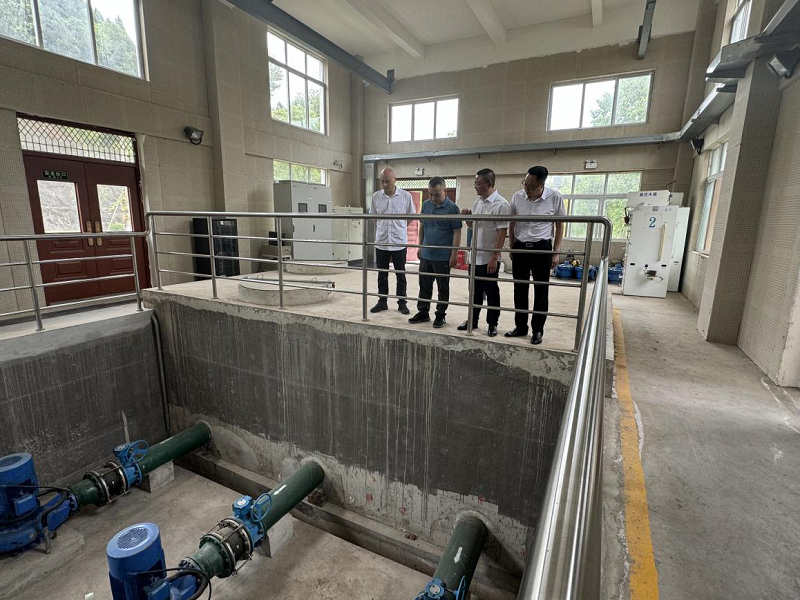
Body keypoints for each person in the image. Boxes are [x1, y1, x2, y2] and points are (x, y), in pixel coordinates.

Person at [505, 166, 565, 345]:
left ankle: (537, 330)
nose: (527, 189)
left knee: (541, 291)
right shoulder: (517, 197)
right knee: (520, 290)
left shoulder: (554, 197)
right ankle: (520, 327)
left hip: (542, 248)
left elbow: (560, 225)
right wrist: (512, 246)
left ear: (542, 185)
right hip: (521, 247)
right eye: (525, 184)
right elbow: (512, 222)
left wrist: (556, 252)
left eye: (531, 187)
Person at [457, 168, 510, 337]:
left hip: (489, 258)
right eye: (475, 183)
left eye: (478, 184)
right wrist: (468, 220)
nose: (475, 186)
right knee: (474, 291)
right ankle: (472, 320)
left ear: (489, 184)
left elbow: (502, 233)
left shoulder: (501, 205)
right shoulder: (478, 202)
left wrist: (495, 257)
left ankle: (492, 323)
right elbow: (473, 228)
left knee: (491, 291)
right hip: (475, 256)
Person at [408, 177, 462, 328]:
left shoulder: (452, 209)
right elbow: (422, 226)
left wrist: (454, 254)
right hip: (426, 254)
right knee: (424, 285)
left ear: (445, 191)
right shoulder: (426, 205)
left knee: (442, 287)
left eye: (437, 194)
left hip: (443, 256)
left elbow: (457, 232)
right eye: (430, 194)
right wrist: (420, 246)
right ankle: (423, 312)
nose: (433, 198)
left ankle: (440, 315)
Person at [369, 167, 416, 314]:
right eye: (382, 181)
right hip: (382, 242)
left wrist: (399, 227)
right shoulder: (376, 196)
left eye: (388, 181)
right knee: (382, 275)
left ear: (395, 179)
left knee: (400, 275)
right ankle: (382, 302)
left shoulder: (405, 196)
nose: (385, 184)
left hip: (399, 243)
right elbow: (373, 217)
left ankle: (402, 303)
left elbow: (411, 216)